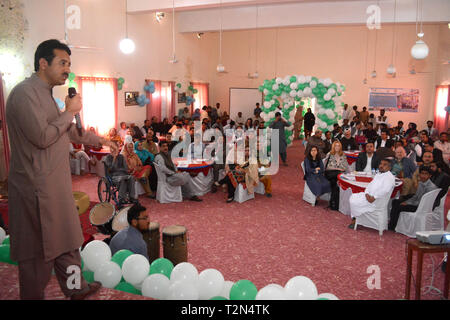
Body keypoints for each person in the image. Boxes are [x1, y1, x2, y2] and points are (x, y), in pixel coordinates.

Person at [5, 39, 117, 299]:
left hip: (57, 185)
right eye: (62, 63)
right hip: (36, 188)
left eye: (69, 64)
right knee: (38, 253)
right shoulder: (24, 94)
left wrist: (99, 140)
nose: (67, 69)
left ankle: (76, 289)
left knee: (68, 243)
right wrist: (69, 111)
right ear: (43, 63)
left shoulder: (48, 96)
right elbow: (42, 137)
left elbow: (68, 131)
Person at [348, 159, 396, 228]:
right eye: (381, 164)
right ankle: (356, 217)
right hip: (369, 197)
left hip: (376, 201)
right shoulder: (379, 174)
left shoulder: (389, 177)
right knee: (353, 197)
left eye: (384, 165)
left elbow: (385, 190)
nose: (381, 166)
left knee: (354, 201)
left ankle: (355, 219)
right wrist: (367, 193)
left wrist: (374, 197)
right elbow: (370, 185)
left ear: (389, 167)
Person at [388, 166, 437, 231]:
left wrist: (408, 203)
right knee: (395, 201)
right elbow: (416, 196)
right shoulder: (421, 183)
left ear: (430, 175)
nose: (423, 176)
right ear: (419, 174)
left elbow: (422, 201)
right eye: (422, 173)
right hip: (417, 202)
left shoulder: (431, 187)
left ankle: (392, 226)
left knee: (398, 207)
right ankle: (393, 223)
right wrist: (407, 202)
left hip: (421, 207)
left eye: (426, 174)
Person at [324, 141, 349, 210]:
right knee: (337, 177)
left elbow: (345, 167)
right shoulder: (330, 154)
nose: (337, 147)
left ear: (340, 147)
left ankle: (333, 203)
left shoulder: (343, 155)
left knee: (335, 183)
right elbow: (327, 167)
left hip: (336, 176)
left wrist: (340, 169)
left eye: (338, 146)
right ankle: (335, 204)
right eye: (335, 146)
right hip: (330, 173)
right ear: (333, 147)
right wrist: (338, 168)